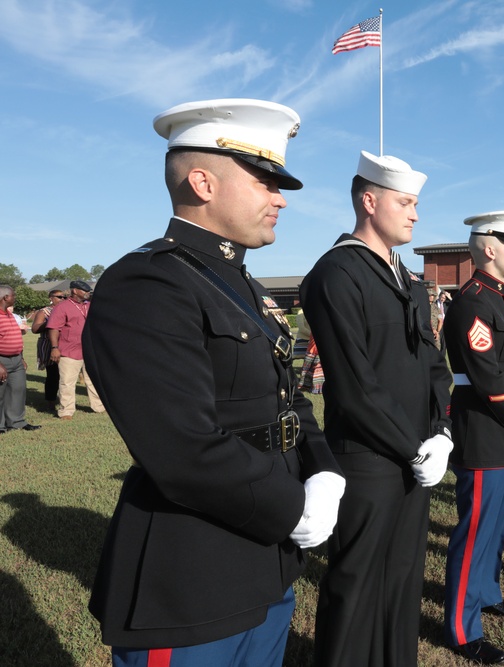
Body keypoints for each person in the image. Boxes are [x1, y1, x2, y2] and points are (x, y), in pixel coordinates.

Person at [83, 98, 345, 666]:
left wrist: (322, 469)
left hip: (267, 556)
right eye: (265, 181)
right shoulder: (148, 283)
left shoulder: (242, 285)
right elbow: (183, 447)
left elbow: (289, 398)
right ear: (203, 182)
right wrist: (293, 507)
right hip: (193, 573)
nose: (280, 198)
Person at [302, 150, 453, 667]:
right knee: (357, 583)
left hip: (418, 455)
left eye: (416, 203)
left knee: (404, 578)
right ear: (369, 201)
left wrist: (441, 432)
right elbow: (355, 385)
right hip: (368, 456)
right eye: (405, 202)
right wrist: (414, 445)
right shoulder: (337, 273)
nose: (415, 214)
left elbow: (433, 363)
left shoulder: (408, 279)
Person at [443, 210, 504, 665]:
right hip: (484, 427)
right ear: (488, 248)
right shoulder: (472, 301)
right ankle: (463, 628)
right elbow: (484, 374)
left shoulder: (498, 299)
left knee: (496, 523)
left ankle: (484, 593)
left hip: (503, 428)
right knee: (475, 528)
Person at [48, 280, 105, 419]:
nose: (87, 293)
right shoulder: (62, 307)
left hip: (89, 350)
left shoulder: (90, 306)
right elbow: (54, 328)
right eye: (84, 291)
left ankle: (98, 407)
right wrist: (55, 348)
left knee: (94, 380)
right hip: (69, 350)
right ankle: (66, 411)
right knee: (67, 382)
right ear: (74, 291)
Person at [0, 285, 41, 433]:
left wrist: (21, 357)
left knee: (18, 391)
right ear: (5, 298)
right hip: (2, 360)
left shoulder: (11, 315)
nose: (15, 298)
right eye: (13, 296)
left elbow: (15, 337)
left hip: (16, 359)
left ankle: (17, 422)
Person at [31, 289, 65, 410]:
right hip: (49, 345)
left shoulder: (65, 309)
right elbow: (34, 329)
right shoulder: (44, 311)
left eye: (64, 297)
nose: (62, 299)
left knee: (65, 375)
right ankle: (51, 401)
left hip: (65, 345)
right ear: (51, 298)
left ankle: (64, 400)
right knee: (53, 374)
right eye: (59, 297)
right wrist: (50, 322)